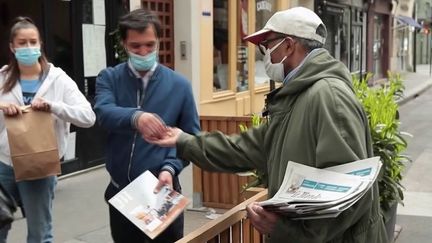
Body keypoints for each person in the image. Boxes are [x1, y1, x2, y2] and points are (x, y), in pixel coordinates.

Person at [147, 7, 388, 243]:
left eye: (268, 46)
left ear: (289, 45)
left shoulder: (327, 96)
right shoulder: (297, 96)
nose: (266, 56)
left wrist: (285, 231)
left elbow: (350, 197)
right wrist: (183, 141)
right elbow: (243, 149)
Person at [93, 9, 200, 243]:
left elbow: (190, 136)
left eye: (150, 45)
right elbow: (103, 112)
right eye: (136, 46)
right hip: (121, 190)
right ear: (123, 44)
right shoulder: (109, 78)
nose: (144, 52)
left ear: (159, 42)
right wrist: (136, 118)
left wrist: (170, 168)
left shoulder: (179, 85)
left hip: (162, 190)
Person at [0, 16, 96, 243]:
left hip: (40, 166)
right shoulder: (3, 78)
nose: (28, 47)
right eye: (22, 43)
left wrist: (53, 107)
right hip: (4, 163)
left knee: (39, 232)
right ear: (12, 47)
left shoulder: (58, 79)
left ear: (40, 44)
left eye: (33, 42)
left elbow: (88, 117)